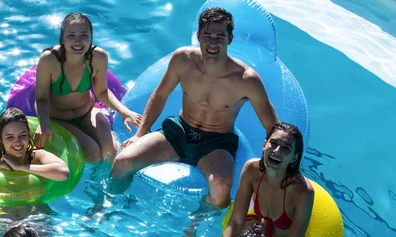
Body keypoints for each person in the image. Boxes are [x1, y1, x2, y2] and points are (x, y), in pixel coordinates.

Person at [110, 7, 279, 207]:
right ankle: (112, 206)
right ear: (198, 36)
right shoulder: (183, 59)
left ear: (230, 38)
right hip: (179, 131)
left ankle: (195, 227)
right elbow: (160, 94)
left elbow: (272, 127)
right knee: (122, 162)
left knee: (222, 186)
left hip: (217, 143)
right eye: (207, 35)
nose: (213, 43)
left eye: (219, 37)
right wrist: (140, 133)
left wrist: (271, 164)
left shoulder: (246, 79)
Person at [193, 122, 314, 237]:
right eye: (273, 143)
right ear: (264, 144)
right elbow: (236, 221)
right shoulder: (252, 170)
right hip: (256, 232)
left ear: (294, 157)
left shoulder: (302, 191)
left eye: (286, 148)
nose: (277, 151)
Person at [35, 12, 142, 164]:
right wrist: (44, 123)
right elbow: (41, 99)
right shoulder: (49, 60)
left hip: (87, 112)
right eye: (71, 35)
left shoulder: (98, 57)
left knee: (110, 154)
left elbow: (102, 92)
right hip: (58, 118)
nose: (78, 41)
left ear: (91, 37)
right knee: (94, 155)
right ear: (62, 39)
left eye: (84, 35)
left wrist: (125, 112)